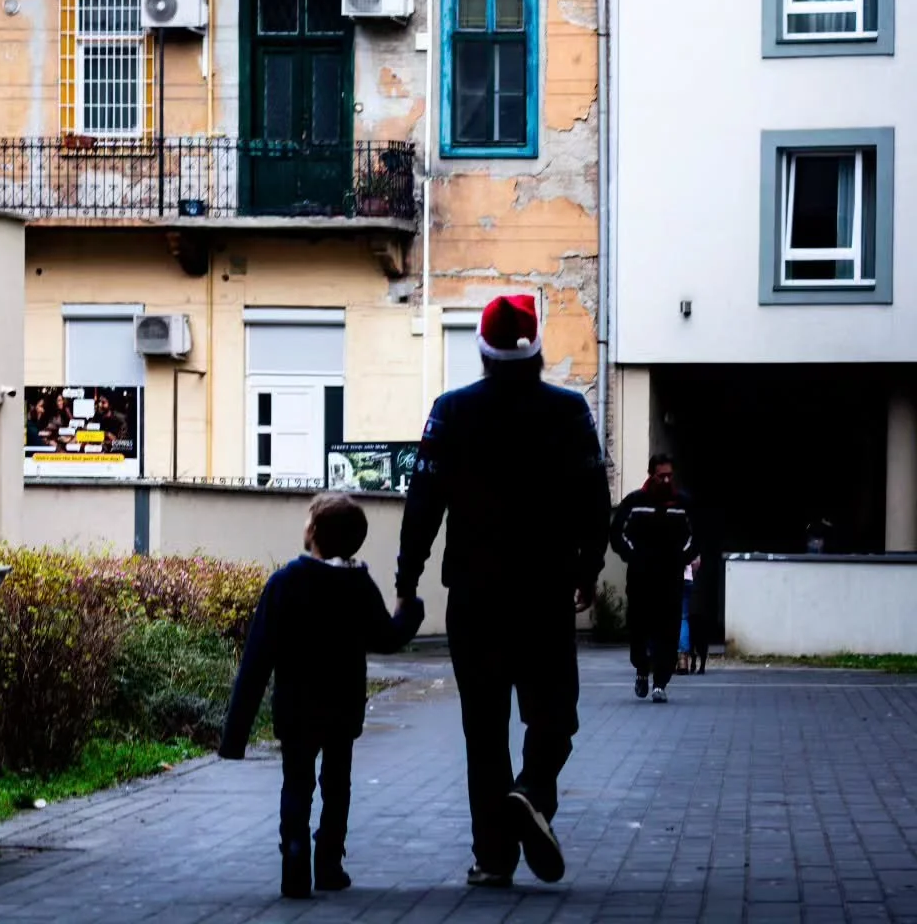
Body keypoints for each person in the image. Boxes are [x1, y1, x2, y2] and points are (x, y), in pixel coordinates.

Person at [395, 293, 610, 891]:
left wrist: (406, 580)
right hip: (543, 593)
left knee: (483, 728)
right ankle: (533, 788)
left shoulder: (451, 411)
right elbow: (596, 500)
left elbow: (423, 505)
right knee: (554, 715)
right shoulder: (570, 413)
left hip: (473, 594)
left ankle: (492, 857)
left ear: (482, 352)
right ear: (538, 350)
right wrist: (588, 569)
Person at [218, 490, 424, 899]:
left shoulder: (284, 583)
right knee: (337, 784)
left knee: (296, 783)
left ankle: (294, 864)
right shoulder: (358, 584)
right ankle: (329, 863)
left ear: (312, 532)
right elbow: (385, 637)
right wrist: (410, 613)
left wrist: (234, 736)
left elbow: (256, 660)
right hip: (342, 707)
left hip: (295, 708)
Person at [611, 451, 696, 703]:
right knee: (639, 628)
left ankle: (661, 682)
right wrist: (634, 556)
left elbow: (696, 536)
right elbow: (617, 533)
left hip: (670, 579)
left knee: (668, 630)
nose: (667, 481)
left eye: (670, 476)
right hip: (640, 579)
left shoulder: (682, 504)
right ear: (652, 475)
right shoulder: (635, 502)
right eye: (662, 477)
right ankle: (641, 670)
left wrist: (680, 558)